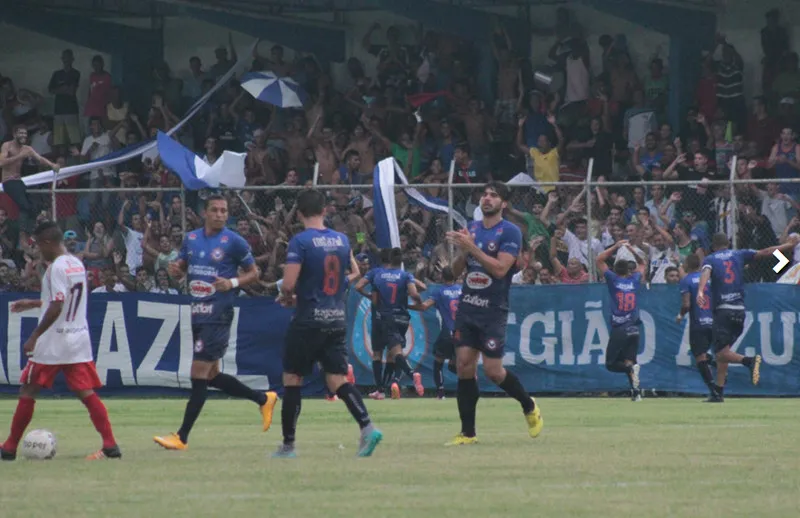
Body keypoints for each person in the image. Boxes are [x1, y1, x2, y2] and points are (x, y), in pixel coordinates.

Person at [154, 194, 278, 450]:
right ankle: (263, 398)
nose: (221, 214)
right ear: (205, 213)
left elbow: (255, 273)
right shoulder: (191, 239)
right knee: (212, 375)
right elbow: (183, 266)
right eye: (216, 210)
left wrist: (232, 283)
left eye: (224, 211)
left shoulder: (234, 241)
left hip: (218, 313)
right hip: (197, 312)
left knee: (198, 373)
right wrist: (176, 269)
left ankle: (181, 436)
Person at [274, 189, 382, 458]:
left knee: (292, 379)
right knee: (337, 380)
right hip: (335, 319)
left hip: (308, 320)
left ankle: (288, 446)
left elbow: (288, 284)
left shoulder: (300, 242)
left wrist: (288, 297)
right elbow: (347, 276)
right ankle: (367, 427)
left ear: (299, 213)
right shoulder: (342, 240)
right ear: (325, 210)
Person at [1, 221, 120, 460]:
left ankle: (10, 447)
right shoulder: (76, 263)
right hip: (77, 339)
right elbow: (66, 300)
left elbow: (57, 304)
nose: (36, 250)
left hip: (54, 341)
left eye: (37, 244)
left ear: (47, 243)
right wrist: (34, 303)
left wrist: (34, 336)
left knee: (28, 390)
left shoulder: (55, 268)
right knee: (85, 392)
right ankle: (110, 444)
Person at [445, 181, 543, 446]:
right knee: (464, 365)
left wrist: (473, 247)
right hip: (467, 306)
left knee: (493, 371)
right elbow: (454, 273)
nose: (487, 199)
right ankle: (468, 433)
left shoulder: (510, 232)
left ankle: (528, 404)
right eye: (485, 194)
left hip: (492, 310)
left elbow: (500, 270)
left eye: (494, 196)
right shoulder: (473, 228)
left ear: (504, 204)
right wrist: (462, 250)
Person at [697, 233, 798, 401]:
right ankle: (718, 392)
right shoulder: (739, 254)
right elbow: (766, 251)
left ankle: (749, 361)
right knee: (725, 351)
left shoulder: (711, 259)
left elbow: (706, 273)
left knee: (720, 354)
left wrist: (701, 290)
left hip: (723, 309)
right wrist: (788, 245)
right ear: (728, 243)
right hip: (739, 310)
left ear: (713, 247)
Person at [355, 248, 424, 400]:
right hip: (402, 317)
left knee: (379, 354)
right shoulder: (405, 275)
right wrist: (418, 303)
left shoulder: (376, 274)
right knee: (394, 353)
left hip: (384, 317)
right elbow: (416, 292)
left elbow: (358, 286)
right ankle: (390, 385)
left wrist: (367, 295)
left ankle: (408, 376)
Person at [595, 240, 647, 402]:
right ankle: (636, 392)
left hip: (620, 328)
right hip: (634, 328)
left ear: (615, 270)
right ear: (629, 271)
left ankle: (631, 369)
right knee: (629, 360)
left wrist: (616, 246)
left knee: (611, 364)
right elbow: (643, 263)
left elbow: (599, 260)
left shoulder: (613, 279)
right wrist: (631, 248)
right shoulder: (635, 280)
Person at [410, 266, 461, 400]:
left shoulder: (440, 292)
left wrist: (407, 305)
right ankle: (471, 382)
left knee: (438, 362)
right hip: (462, 333)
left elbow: (424, 306)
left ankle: (440, 393)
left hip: (447, 331)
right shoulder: (462, 290)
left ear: (442, 277)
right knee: (453, 365)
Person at [677, 254, 717, 400]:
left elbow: (686, 304)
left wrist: (680, 315)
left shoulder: (686, 280)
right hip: (713, 321)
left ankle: (714, 389)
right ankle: (716, 365)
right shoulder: (708, 279)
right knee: (707, 353)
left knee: (699, 356)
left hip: (698, 322)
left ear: (687, 264)